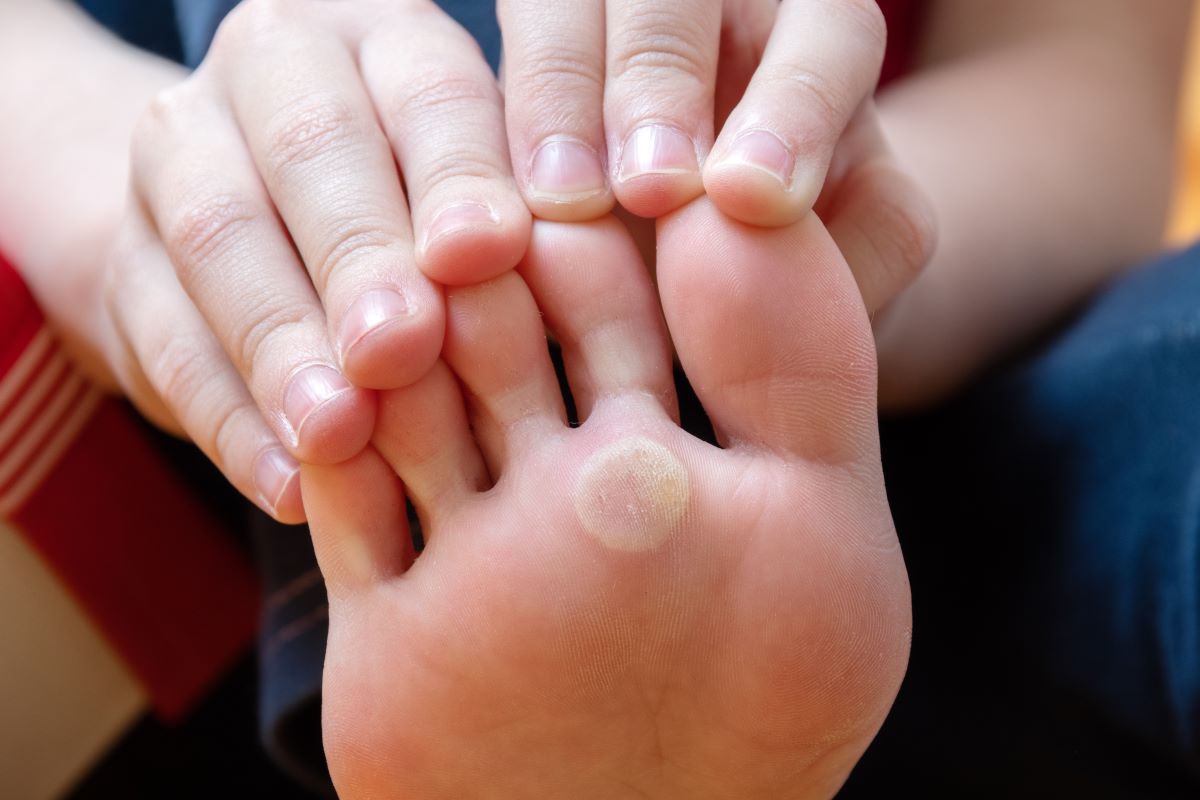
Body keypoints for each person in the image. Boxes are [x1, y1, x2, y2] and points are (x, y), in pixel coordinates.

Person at [0, 0, 1195, 796]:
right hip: (202, 388)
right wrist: (122, 207)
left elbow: (1079, 89)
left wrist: (792, 231)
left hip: (897, 434)